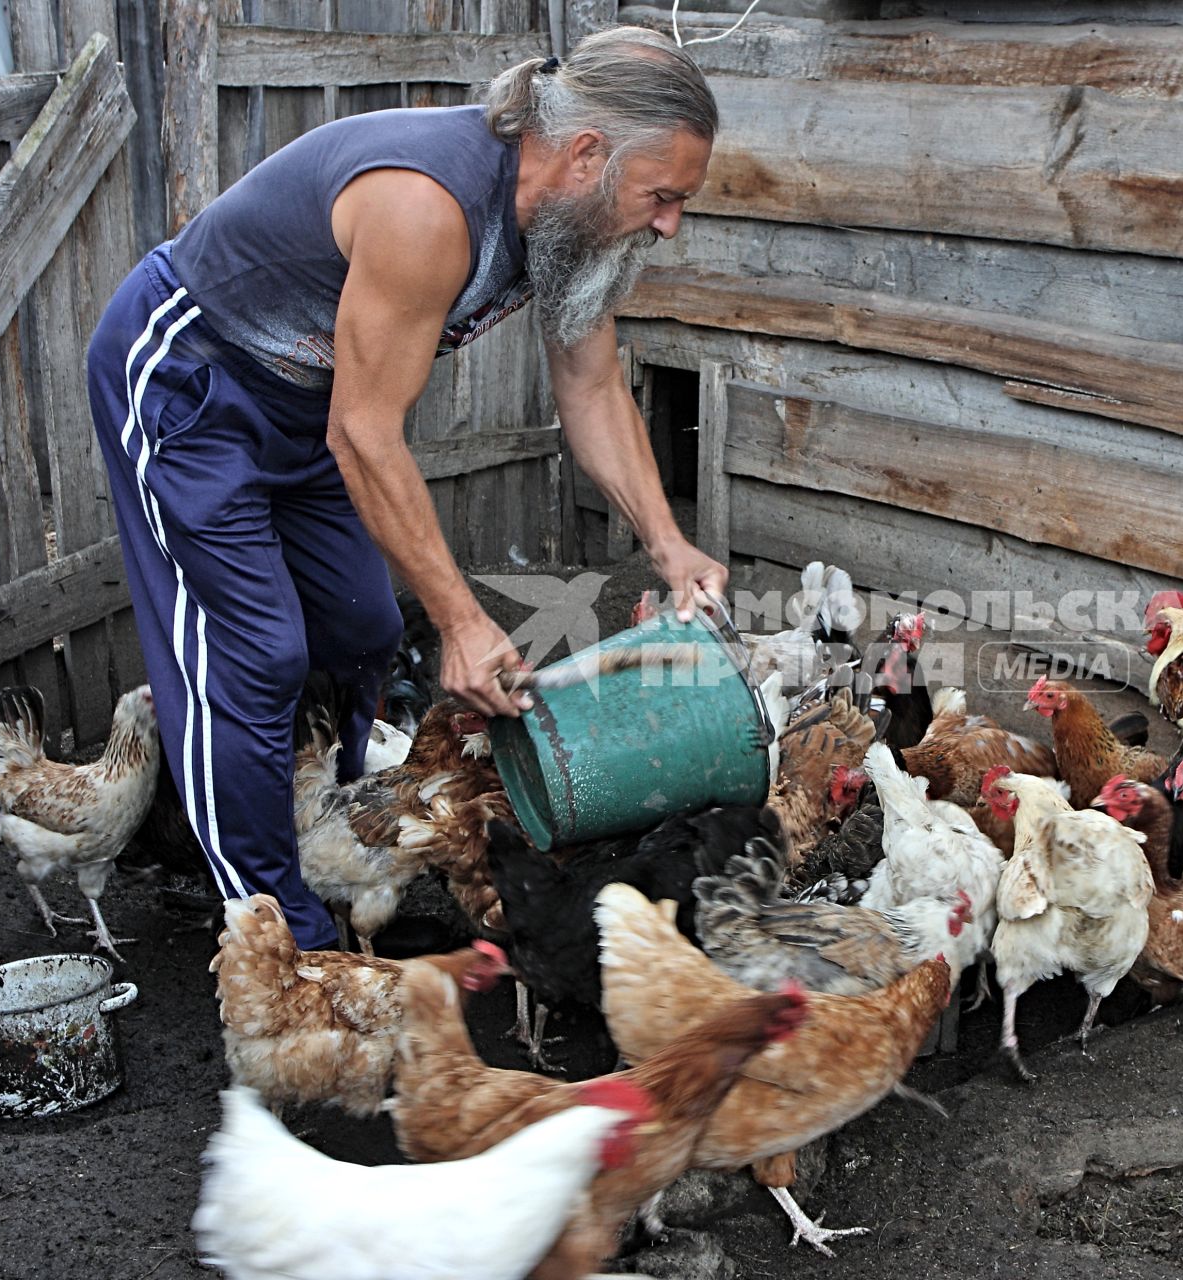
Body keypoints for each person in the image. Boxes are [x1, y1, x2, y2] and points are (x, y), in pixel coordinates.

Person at [84, 26, 726, 949]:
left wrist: (669, 546)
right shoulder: (427, 206)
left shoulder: (576, 231)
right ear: (587, 153)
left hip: (314, 404)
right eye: (662, 196)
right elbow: (364, 432)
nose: (669, 222)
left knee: (363, 629)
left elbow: (590, 388)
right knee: (253, 654)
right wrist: (465, 621)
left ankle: (315, 822)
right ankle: (270, 918)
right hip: (190, 382)